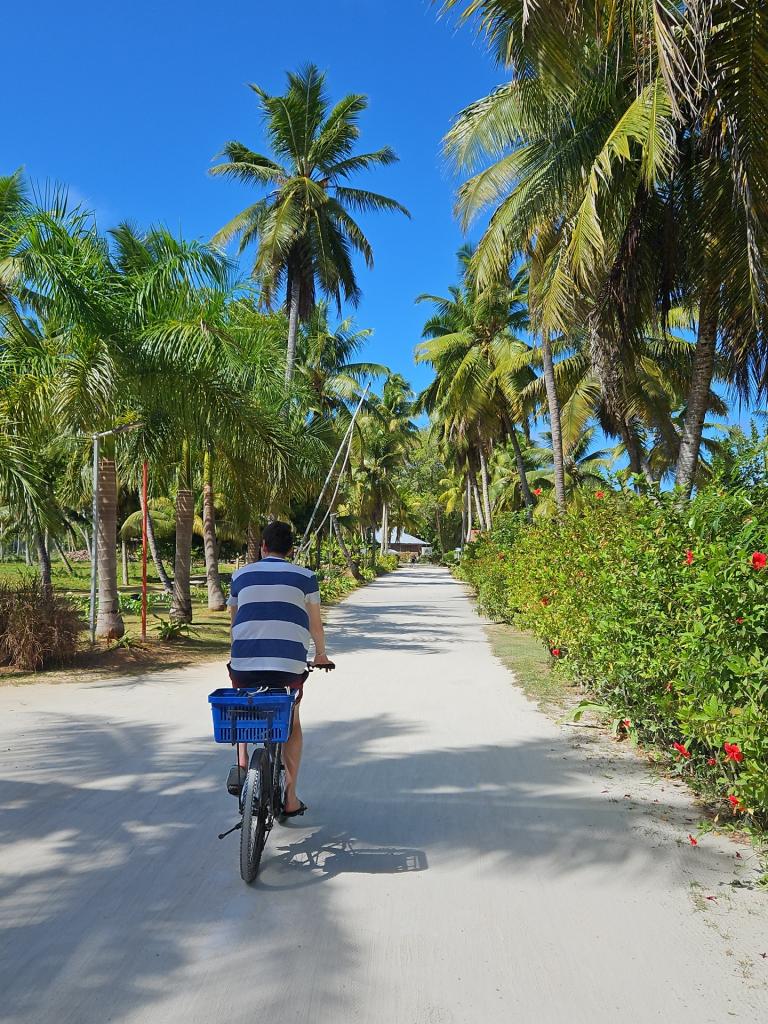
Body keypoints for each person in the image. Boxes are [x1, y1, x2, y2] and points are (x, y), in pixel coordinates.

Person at [226, 521, 333, 818]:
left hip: (244, 665)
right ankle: (290, 797)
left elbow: (235, 624)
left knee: (243, 706)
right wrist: (321, 654)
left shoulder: (239, 576)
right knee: (292, 723)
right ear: (291, 550)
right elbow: (314, 624)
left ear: (262, 547)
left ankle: (243, 761)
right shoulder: (306, 577)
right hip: (288, 668)